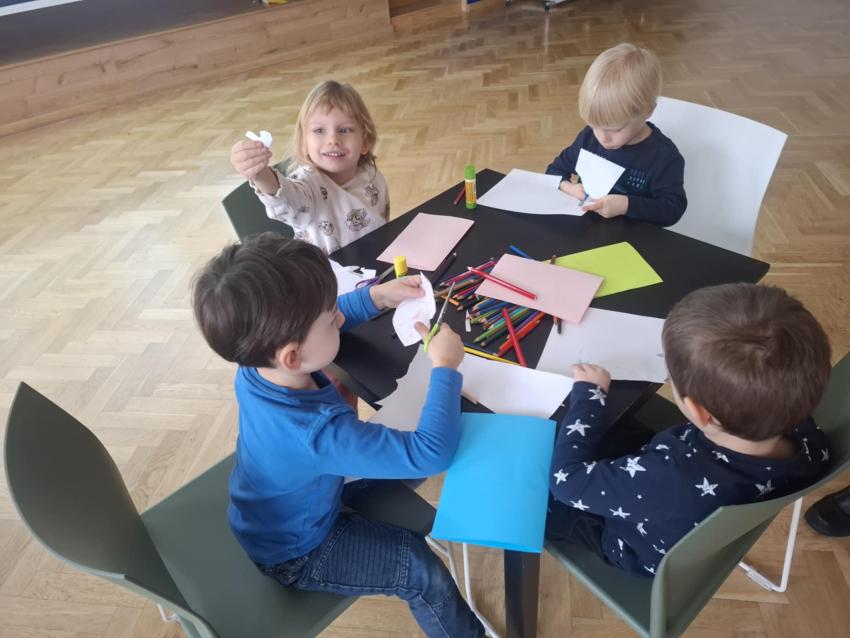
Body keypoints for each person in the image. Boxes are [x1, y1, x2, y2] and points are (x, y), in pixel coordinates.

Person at [192, 233, 484, 637]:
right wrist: (446, 368)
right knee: (420, 570)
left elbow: (311, 327)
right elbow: (432, 453)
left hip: (285, 504)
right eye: (332, 318)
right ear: (292, 356)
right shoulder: (317, 434)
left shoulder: (257, 363)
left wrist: (376, 297)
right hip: (298, 551)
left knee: (402, 460)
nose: (340, 318)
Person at [548, 283, 831, 576]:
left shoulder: (667, 478)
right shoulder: (809, 442)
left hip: (633, 545)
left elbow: (566, 483)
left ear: (698, 411)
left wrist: (589, 397)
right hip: (695, 507)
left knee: (544, 499)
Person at [230, 80, 389, 253]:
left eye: (344, 130)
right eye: (319, 131)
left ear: (365, 141)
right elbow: (284, 198)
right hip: (327, 270)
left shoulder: (370, 173)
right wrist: (260, 173)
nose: (333, 140)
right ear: (304, 143)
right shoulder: (306, 184)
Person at [546, 43, 687, 226]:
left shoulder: (664, 157)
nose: (602, 137)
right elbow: (554, 170)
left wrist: (626, 205)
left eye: (614, 129)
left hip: (635, 237)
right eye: (594, 125)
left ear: (647, 111)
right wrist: (570, 188)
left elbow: (672, 210)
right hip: (585, 229)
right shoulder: (588, 138)